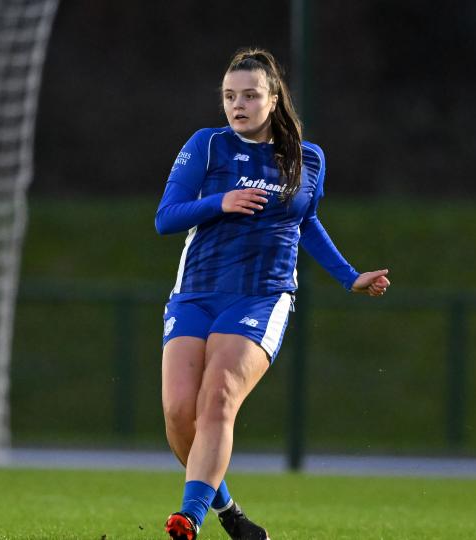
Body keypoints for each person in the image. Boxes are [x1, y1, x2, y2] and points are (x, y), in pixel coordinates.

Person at [155, 48, 390, 540]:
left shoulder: (307, 158)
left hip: (261, 297)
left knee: (217, 398)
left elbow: (306, 223)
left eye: (249, 95)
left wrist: (349, 276)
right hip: (196, 293)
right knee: (180, 413)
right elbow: (165, 216)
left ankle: (188, 519)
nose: (237, 105)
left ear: (274, 97)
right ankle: (230, 515)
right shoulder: (207, 145)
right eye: (228, 96)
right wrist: (221, 201)